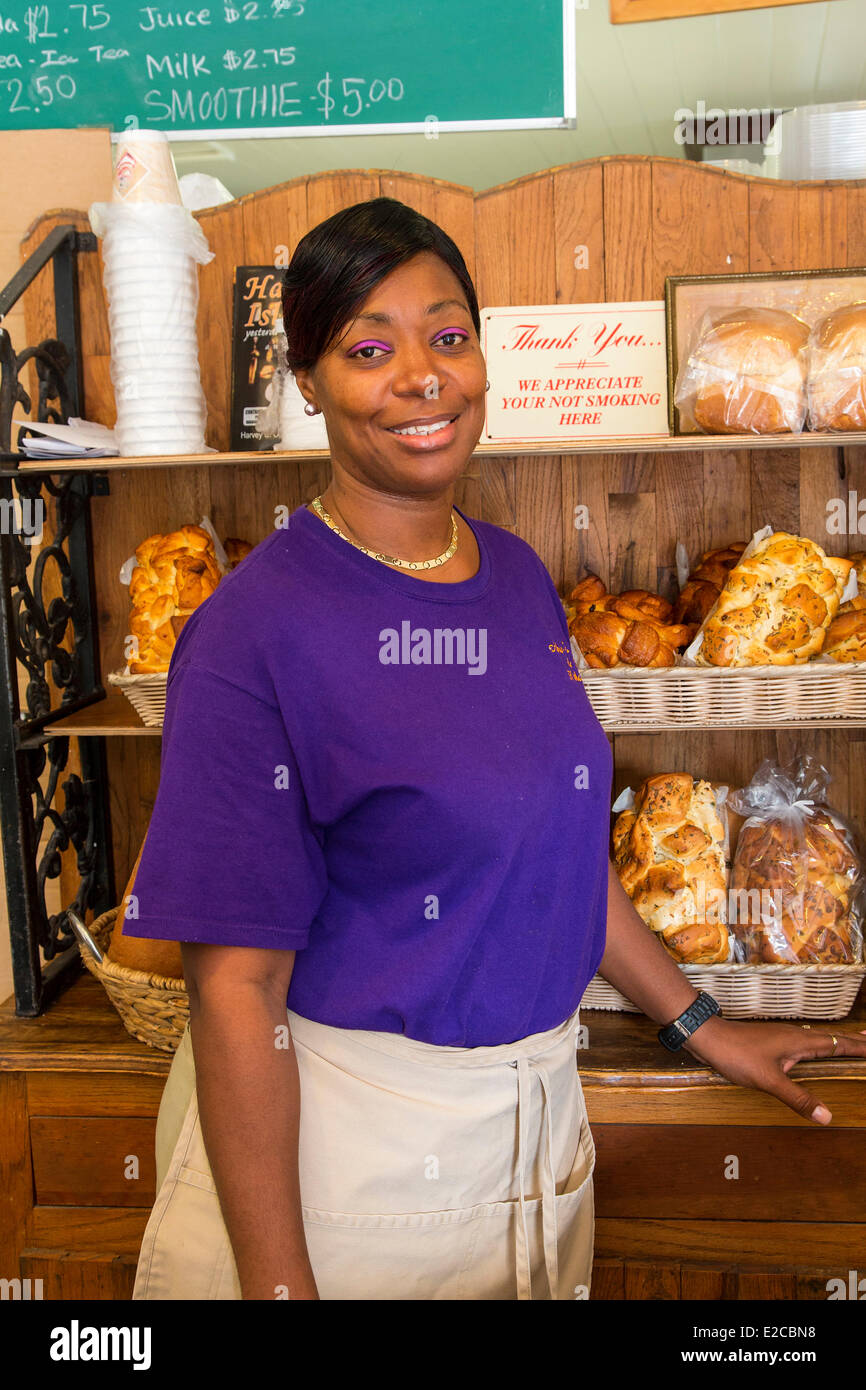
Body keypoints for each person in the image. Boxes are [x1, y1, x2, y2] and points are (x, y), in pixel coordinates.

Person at [127, 196, 866, 1302]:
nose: (422, 375)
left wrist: (704, 1027)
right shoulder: (249, 635)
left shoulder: (517, 577)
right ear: (307, 380)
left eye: (448, 334)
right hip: (347, 1163)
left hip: (537, 1137)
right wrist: (280, 1283)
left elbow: (557, 850)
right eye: (369, 349)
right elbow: (234, 988)